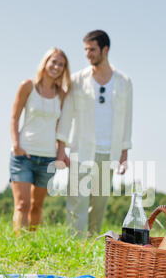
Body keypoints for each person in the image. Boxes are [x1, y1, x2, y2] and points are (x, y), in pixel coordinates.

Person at [56, 30, 133, 236]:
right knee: (76, 202)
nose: (87, 54)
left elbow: (128, 119)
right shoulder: (77, 80)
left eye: (92, 49)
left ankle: (90, 246)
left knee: (99, 205)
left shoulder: (124, 82)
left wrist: (124, 154)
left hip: (109, 152)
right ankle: (74, 247)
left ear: (105, 50)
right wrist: (61, 149)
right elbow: (66, 116)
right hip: (80, 150)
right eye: (86, 50)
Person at [9, 48, 71, 233]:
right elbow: (14, 117)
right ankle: (19, 248)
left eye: (61, 64)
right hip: (24, 155)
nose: (56, 66)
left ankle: (31, 245)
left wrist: (61, 153)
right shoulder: (28, 86)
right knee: (22, 204)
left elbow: (62, 127)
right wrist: (16, 145)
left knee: (37, 206)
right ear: (45, 62)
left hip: (47, 158)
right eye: (53, 62)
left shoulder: (62, 94)